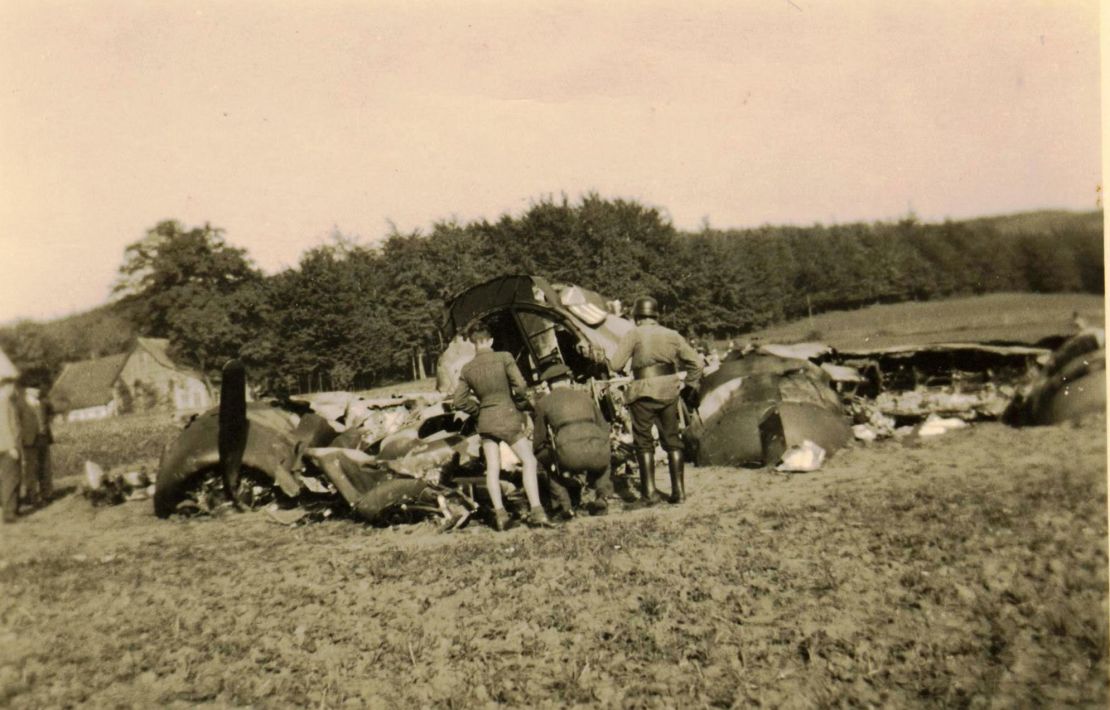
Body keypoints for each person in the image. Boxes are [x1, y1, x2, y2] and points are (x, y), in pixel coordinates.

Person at [452, 325, 553, 530]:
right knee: (529, 461)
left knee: (492, 468)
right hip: (508, 416)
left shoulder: (467, 368)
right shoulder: (504, 357)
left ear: (474, 343)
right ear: (490, 340)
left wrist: (479, 410)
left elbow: (458, 401)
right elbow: (521, 386)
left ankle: (500, 515)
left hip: (486, 422)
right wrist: (517, 402)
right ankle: (537, 511)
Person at [608, 296, 702, 506]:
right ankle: (679, 493)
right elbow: (697, 363)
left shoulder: (633, 334)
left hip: (642, 392)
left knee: (644, 443)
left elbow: (615, 365)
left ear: (637, 316)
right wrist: (689, 386)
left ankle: (649, 494)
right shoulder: (673, 335)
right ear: (655, 315)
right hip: (669, 391)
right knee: (672, 440)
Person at [533, 363, 614, 518]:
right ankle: (602, 495)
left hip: (569, 455)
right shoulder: (586, 397)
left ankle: (564, 505)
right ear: (568, 380)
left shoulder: (543, 403)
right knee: (604, 458)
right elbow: (604, 428)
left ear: (549, 385)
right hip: (597, 451)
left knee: (542, 459)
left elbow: (539, 439)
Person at [0, 376, 22, 523]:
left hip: (6, 446)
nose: (13, 390)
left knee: (10, 478)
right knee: (10, 479)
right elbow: (5, 427)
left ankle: (13, 509)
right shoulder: (3, 402)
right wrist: (12, 447)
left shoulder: (6, 402)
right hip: (7, 447)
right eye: (12, 387)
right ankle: (9, 513)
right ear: (5, 387)